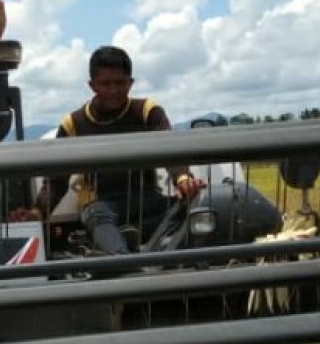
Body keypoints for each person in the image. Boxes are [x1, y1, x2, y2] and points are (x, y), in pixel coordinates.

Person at [23, 45, 204, 254]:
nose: (114, 91)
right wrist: (37, 212)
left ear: (131, 82)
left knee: (196, 207)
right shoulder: (73, 123)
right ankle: (124, 261)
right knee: (98, 216)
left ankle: (121, 240)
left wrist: (183, 180)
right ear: (92, 85)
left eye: (120, 83)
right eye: (105, 84)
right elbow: (57, 180)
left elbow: (171, 150)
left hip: (145, 198)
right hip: (100, 203)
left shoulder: (147, 112)